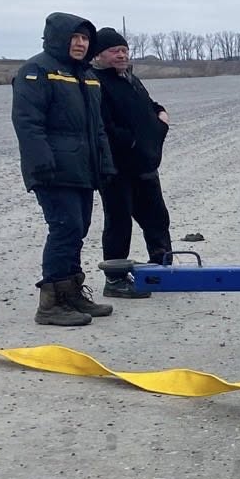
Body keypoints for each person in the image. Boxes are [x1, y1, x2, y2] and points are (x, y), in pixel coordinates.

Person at [10, 13, 116, 326]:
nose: (81, 43)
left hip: (82, 168)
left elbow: (97, 127)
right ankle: (51, 304)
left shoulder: (86, 75)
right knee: (65, 228)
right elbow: (27, 123)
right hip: (53, 169)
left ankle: (71, 294)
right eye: (74, 37)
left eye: (85, 38)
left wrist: (105, 162)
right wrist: (41, 163)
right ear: (58, 38)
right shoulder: (37, 70)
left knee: (78, 229)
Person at [90, 28, 174, 297]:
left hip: (145, 165)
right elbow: (104, 126)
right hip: (116, 169)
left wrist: (160, 115)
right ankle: (115, 280)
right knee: (119, 224)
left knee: (157, 219)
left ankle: (162, 269)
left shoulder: (130, 78)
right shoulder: (96, 82)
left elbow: (148, 104)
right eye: (115, 50)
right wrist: (135, 140)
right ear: (99, 55)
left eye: (124, 50)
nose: (121, 54)